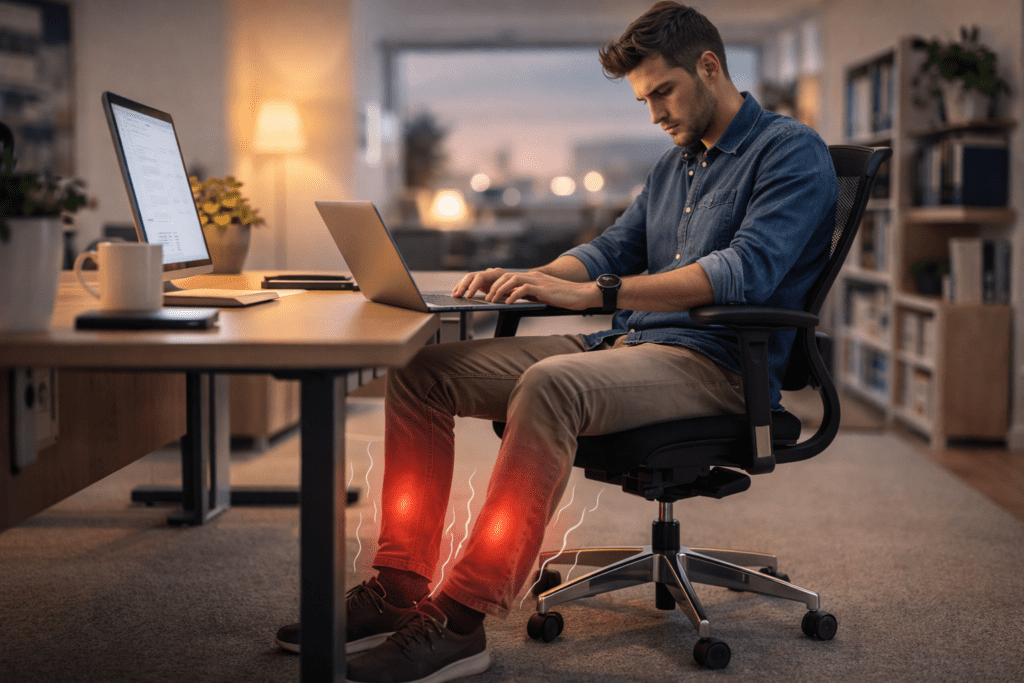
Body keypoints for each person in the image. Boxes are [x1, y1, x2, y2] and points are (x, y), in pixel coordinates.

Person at [276, 3, 838, 682]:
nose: (655, 112)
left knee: (551, 384)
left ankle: (460, 620)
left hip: (715, 363)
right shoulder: (674, 167)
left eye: (663, 91)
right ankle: (399, 586)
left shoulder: (789, 150)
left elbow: (742, 272)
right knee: (424, 371)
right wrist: (538, 278)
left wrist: (596, 294)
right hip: (628, 343)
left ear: (709, 67)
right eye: (643, 99)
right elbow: (611, 247)